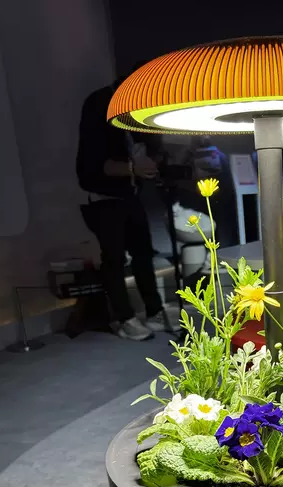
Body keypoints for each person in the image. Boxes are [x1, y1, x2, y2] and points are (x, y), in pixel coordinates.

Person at [76, 78, 175, 341]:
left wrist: (153, 161)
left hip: (130, 195)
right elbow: (93, 164)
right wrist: (132, 168)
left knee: (143, 254)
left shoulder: (132, 118)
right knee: (114, 259)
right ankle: (125, 319)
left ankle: (154, 311)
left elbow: (143, 152)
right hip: (103, 198)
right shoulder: (100, 105)